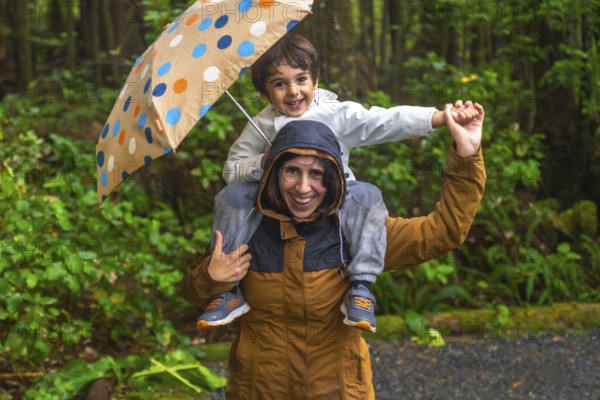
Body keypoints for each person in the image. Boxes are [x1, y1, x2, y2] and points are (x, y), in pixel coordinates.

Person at [180, 102, 486, 399]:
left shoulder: (357, 231)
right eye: (291, 171)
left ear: (334, 177)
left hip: (339, 390)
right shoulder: (245, 226)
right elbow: (192, 293)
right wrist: (211, 277)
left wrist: (467, 155)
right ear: (272, 172)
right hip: (258, 389)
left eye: (316, 174)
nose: (303, 187)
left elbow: (443, 233)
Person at [195, 34, 479, 333]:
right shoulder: (260, 125)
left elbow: (382, 121)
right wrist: (261, 163)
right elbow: (232, 168)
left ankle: (361, 287)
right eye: (279, 84)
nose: (293, 91)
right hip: (275, 204)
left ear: (315, 81)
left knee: (367, 196)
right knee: (232, 196)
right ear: (265, 93)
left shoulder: (334, 113)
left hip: (337, 197)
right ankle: (228, 290)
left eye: (301, 79)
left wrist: (437, 118)